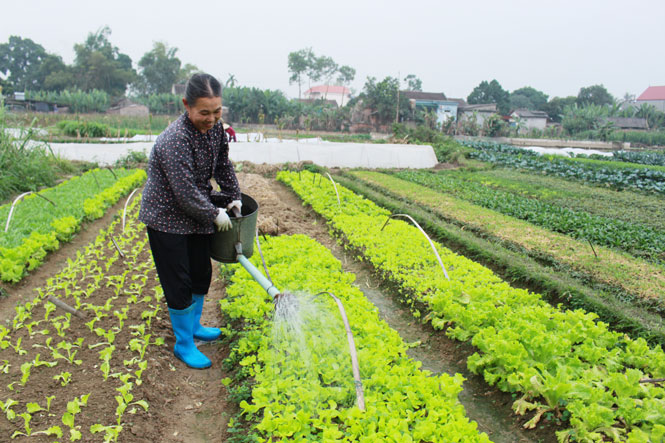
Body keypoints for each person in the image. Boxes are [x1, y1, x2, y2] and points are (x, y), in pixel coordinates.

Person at [139, 73, 241, 369]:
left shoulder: (216, 131)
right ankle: (184, 343)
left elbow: (223, 164)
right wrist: (214, 213)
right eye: (204, 112)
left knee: (200, 272)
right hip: (167, 217)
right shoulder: (174, 139)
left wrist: (232, 196)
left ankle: (195, 327)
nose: (211, 119)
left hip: (195, 210)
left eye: (217, 111)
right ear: (187, 105)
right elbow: (184, 192)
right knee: (179, 281)